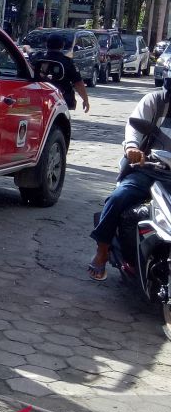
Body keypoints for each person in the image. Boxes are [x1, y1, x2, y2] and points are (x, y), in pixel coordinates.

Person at [87, 81, 170, 280]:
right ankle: (102, 252)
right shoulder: (157, 100)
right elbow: (134, 126)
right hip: (150, 169)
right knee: (118, 198)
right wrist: (132, 147)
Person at [32, 34, 90, 114]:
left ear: (46, 44)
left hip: (39, 97)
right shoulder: (67, 62)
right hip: (62, 99)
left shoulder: (38, 58)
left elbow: (29, 53)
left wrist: (26, 48)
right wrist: (85, 100)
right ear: (62, 46)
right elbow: (78, 83)